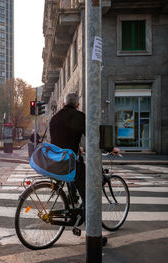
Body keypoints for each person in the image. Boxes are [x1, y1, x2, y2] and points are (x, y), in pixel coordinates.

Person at [49, 92, 117, 246]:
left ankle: (74, 203)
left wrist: (76, 147)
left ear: (63, 104)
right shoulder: (78, 116)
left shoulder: (55, 118)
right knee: (90, 196)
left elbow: (60, 139)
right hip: (70, 163)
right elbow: (93, 137)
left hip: (57, 162)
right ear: (77, 105)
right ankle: (94, 235)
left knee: (76, 184)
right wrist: (110, 148)